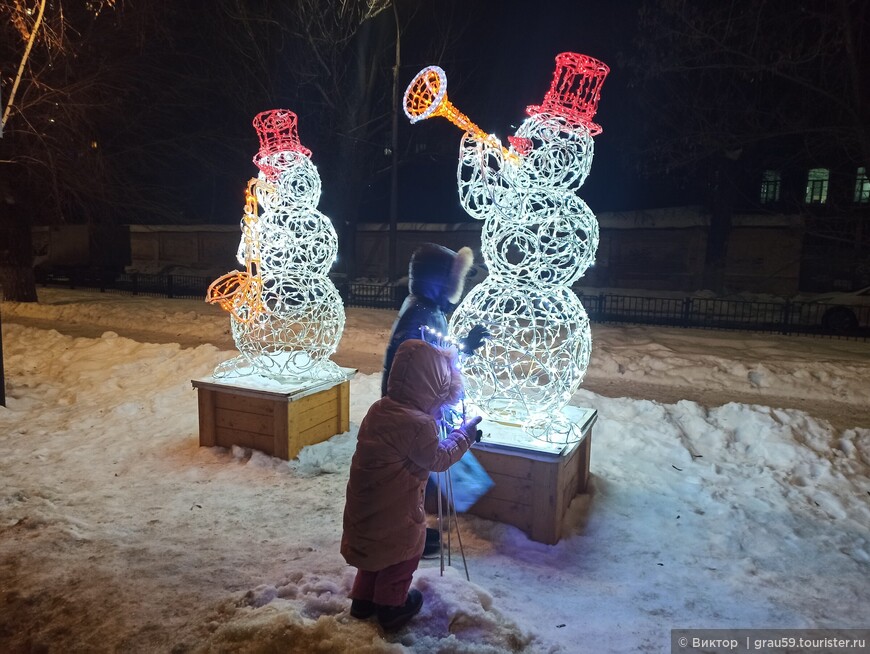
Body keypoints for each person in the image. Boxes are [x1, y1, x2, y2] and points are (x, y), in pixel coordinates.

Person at [342, 339, 483, 632]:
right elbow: (439, 458)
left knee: (373, 553)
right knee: (401, 555)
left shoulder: (380, 409)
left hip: (366, 507)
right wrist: (465, 436)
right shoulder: (419, 425)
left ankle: (363, 600)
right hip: (396, 512)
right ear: (433, 387)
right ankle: (392, 606)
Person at [381, 243, 488, 556]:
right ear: (440, 281)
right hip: (410, 410)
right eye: (454, 281)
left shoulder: (426, 308)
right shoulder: (420, 313)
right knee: (407, 477)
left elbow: (436, 355)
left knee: (413, 476)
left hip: (416, 407)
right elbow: (426, 361)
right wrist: (461, 350)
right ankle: (403, 536)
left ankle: (409, 530)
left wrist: (463, 347)